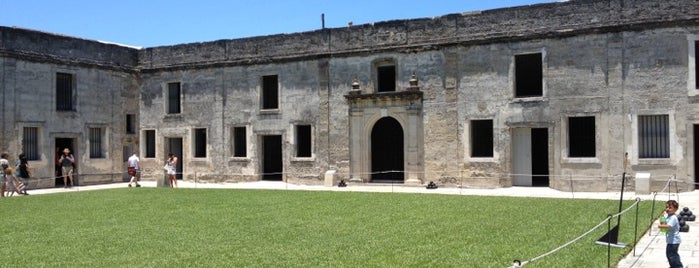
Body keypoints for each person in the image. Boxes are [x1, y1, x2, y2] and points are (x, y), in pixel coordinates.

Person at [658, 200, 684, 268]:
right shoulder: (669, 217)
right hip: (670, 241)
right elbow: (664, 228)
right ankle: (673, 266)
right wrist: (662, 218)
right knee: (669, 254)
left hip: (674, 241)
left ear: (675, 209)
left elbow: (668, 226)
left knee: (672, 255)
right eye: (666, 207)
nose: (667, 209)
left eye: (670, 207)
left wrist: (660, 226)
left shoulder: (673, 218)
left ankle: (678, 266)